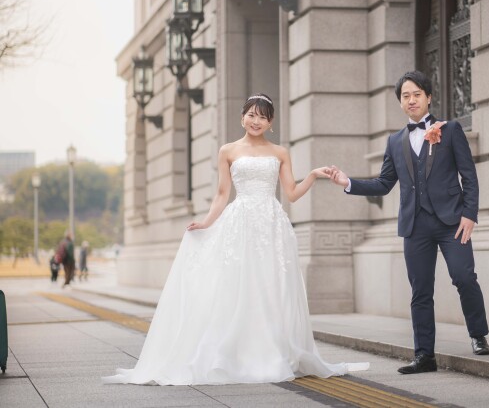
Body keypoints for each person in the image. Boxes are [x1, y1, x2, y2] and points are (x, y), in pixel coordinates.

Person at [103, 94, 368, 385]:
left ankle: (272, 351)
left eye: (263, 117)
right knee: (238, 287)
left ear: (271, 123)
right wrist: (205, 223)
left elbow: (291, 193)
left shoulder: (280, 152)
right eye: (252, 115)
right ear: (242, 117)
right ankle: (238, 353)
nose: (257, 121)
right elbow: (221, 194)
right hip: (240, 224)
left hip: (271, 226)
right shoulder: (227, 150)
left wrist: (314, 175)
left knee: (270, 288)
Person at [329, 71, 489, 375]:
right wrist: (348, 182)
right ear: (401, 103)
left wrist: (469, 214)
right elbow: (383, 183)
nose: (411, 99)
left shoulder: (451, 130)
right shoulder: (395, 142)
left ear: (428, 97)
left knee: (464, 277)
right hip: (415, 226)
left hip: (451, 222)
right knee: (420, 290)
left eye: (417, 93)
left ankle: (478, 334)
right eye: (405, 96)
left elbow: (469, 176)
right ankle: (424, 356)